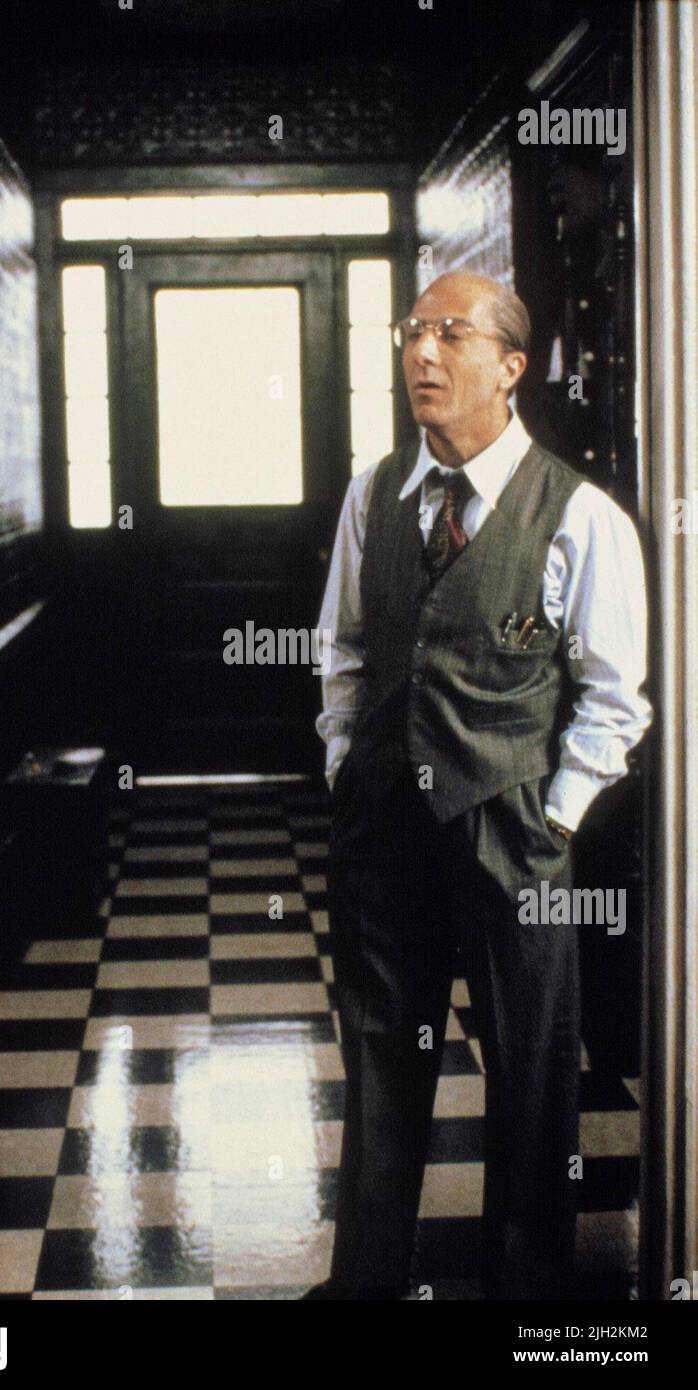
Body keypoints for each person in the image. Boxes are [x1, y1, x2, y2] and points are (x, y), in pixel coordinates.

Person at [303, 270, 652, 1301]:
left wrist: (550, 813)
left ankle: (528, 1292)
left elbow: (613, 698)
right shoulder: (374, 495)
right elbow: (343, 650)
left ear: (510, 367)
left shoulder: (578, 515)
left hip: (511, 830)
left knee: (530, 1068)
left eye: (448, 334)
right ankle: (364, 1283)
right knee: (377, 1060)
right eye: (411, 331)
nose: (419, 352)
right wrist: (345, 763)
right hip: (383, 833)